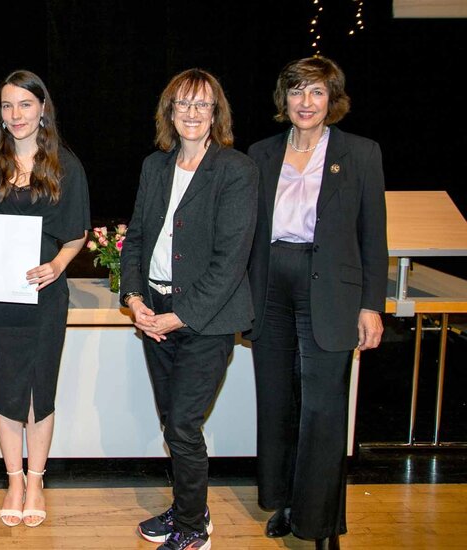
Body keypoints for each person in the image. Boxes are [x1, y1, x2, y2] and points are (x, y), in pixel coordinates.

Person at [245, 56, 387, 550]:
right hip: (270, 289)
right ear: (284, 99)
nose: (306, 103)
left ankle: (321, 523)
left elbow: (374, 237)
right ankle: (284, 502)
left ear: (333, 100)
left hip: (330, 290)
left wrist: (371, 305)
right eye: (297, 92)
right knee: (278, 402)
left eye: (317, 93)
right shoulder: (260, 154)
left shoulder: (362, 153)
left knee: (324, 409)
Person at [120, 69, 258, 550]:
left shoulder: (236, 171)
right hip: (154, 312)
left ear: (216, 113)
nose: (192, 113)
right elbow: (135, 239)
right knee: (172, 422)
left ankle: (195, 527)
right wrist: (135, 300)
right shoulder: (154, 167)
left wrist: (179, 316)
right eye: (183, 104)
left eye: (202, 105)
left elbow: (230, 262)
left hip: (206, 320)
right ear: (170, 112)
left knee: (182, 423)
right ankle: (185, 510)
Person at [0, 70, 90, 528]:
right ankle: (13, 479)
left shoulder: (66, 167)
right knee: (7, 390)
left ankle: (36, 479)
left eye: (24, 105)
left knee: (40, 391)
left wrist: (57, 266)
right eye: (6, 106)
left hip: (43, 297)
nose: (15, 115)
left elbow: (76, 235)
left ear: (42, 109)